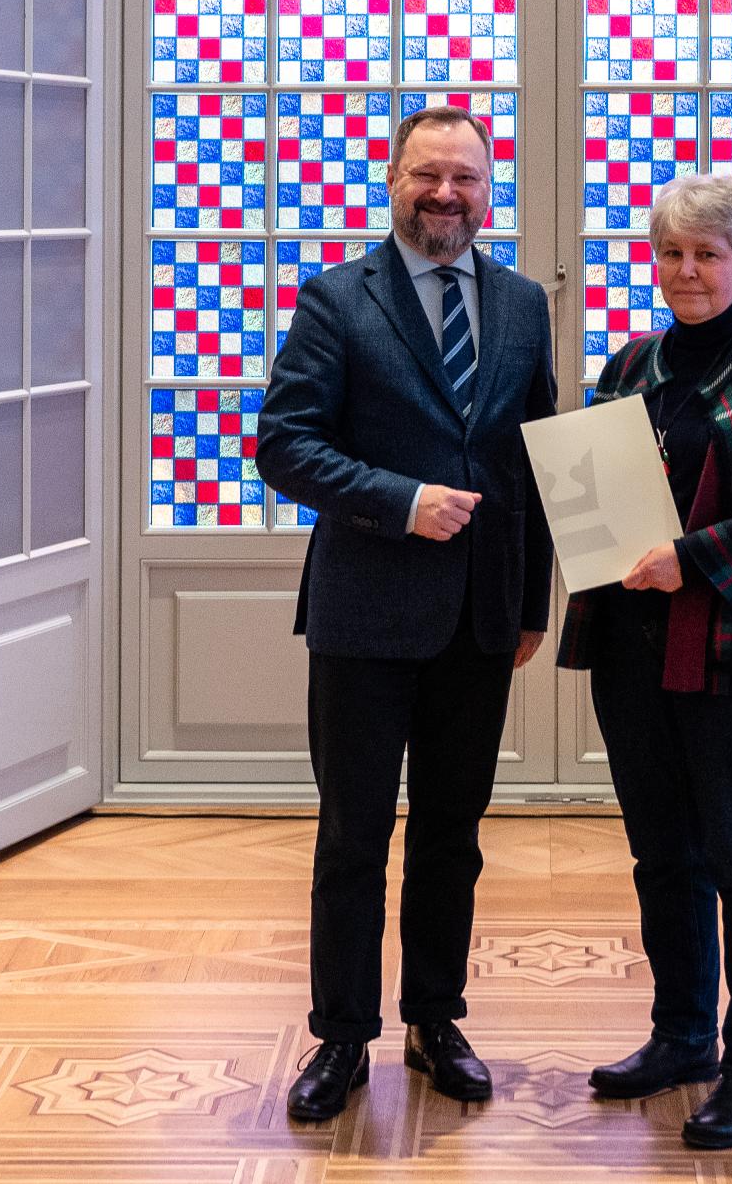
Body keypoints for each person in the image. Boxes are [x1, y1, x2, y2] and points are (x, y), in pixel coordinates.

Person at [254, 105, 556, 1123]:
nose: (445, 194)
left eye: (464, 177)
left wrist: (530, 601)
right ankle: (341, 1033)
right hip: (364, 615)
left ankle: (435, 1018)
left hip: (479, 618)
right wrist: (400, 499)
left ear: (487, 189)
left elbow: (530, 461)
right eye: (427, 174)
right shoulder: (337, 298)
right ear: (393, 181)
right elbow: (285, 444)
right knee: (352, 836)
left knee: (450, 835)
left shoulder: (522, 303)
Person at [557, 170, 732, 1151]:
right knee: (663, 856)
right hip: (633, 654)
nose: (686, 269)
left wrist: (694, 557)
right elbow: (592, 493)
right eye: (671, 251)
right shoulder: (631, 363)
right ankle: (681, 1036)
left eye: (707, 253)